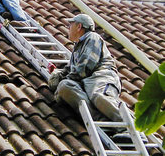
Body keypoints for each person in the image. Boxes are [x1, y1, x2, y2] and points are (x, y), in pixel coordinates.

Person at [48, 13, 146, 143]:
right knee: (65, 86)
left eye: (70, 25)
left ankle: (133, 129)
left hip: (101, 76)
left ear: (79, 26)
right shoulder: (77, 48)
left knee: (98, 95)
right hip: (86, 81)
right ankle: (105, 123)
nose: (68, 28)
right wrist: (58, 77)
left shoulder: (92, 38)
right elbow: (70, 69)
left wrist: (61, 78)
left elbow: (84, 68)